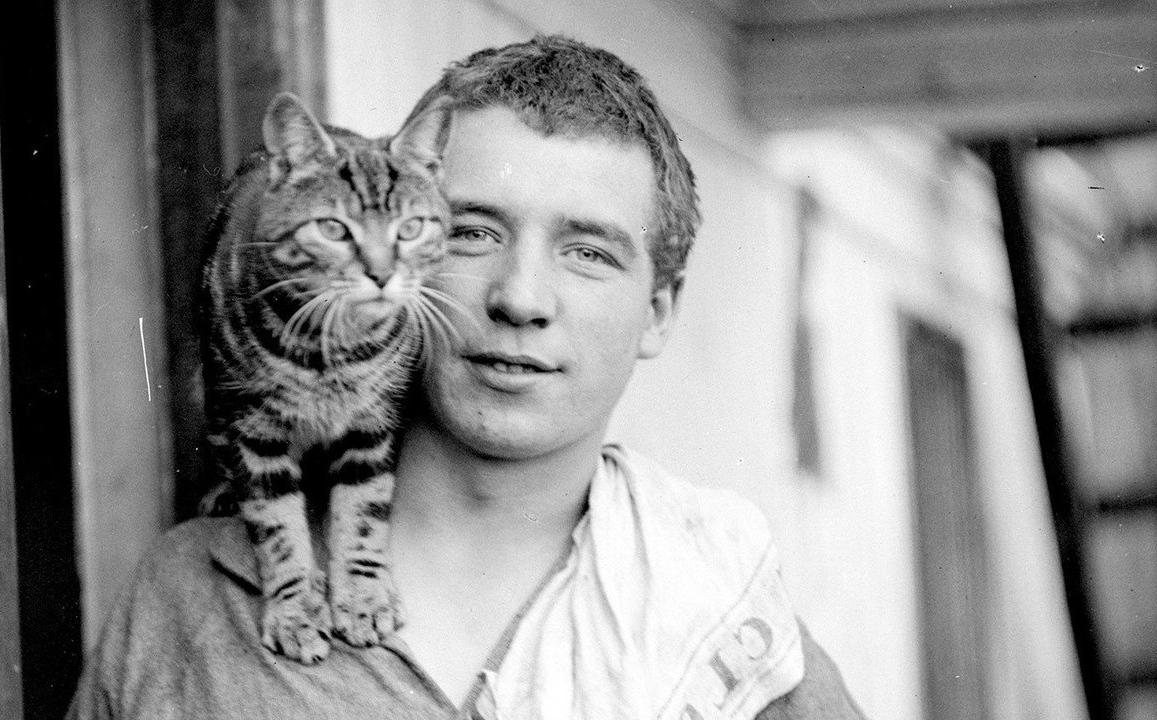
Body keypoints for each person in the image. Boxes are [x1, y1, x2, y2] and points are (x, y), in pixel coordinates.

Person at [67, 35, 867, 719]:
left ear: (659, 311)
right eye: (474, 233)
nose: (521, 298)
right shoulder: (180, 605)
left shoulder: (743, 644)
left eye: (588, 252)